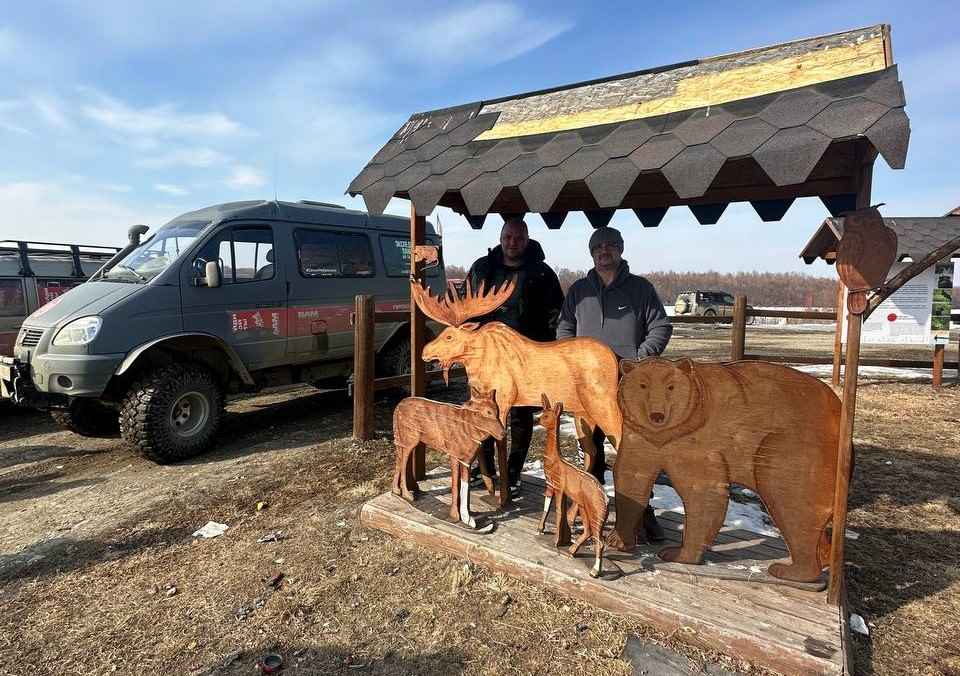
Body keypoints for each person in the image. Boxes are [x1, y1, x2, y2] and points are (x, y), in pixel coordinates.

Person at [557, 225, 672, 540]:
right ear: (592, 253)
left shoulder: (640, 289)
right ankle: (594, 510)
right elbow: (564, 327)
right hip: (586, 389)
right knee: (589, 451)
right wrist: (571, 358)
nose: (603, 251)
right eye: (598, 247)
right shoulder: (579, 291)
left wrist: (638, 360)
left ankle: (643, 515)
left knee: (631, 453)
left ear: (620, 249)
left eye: (610, 246)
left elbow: (661, 326)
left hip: (625, 387)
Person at [467, 216, 565, 489]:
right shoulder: (481, 269)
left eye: (519, 238)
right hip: (486, 358)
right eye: (508, 237)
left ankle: (513, 472)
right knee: (483, 411)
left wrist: (545, 351)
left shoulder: (543, 273)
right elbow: (465, 310)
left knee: (521, 416)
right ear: (500, 238)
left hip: (525, 359)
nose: (513, 243)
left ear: (527, 240)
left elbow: (556, 314)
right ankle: (484, 468)